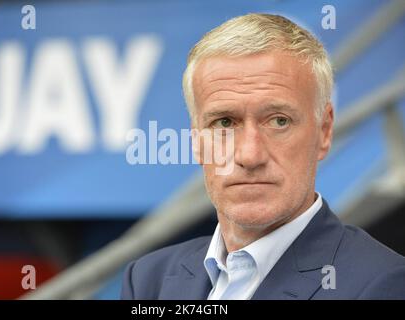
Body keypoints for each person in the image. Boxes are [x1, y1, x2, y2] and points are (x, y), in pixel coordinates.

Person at [121, 13, 405, 300]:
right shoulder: (148, 280)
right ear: (196, 140)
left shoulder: (383, 285)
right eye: (224, 123)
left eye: (279, 121)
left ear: (324, 131)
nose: (250, 155)